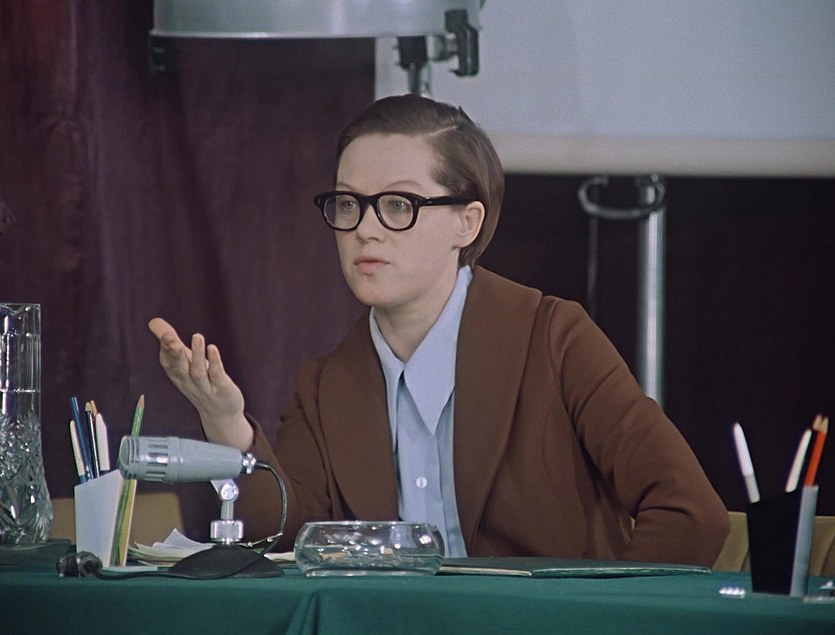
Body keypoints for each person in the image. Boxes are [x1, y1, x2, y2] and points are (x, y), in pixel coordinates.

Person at [149, 94, 729, 566]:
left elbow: (691, 513)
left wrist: (589, 618)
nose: (366, 229)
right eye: (348, 204)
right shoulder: (325, 383)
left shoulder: (554, 338)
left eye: (398, 205)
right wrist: (226, 423)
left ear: (466, 223)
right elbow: (283, 542)